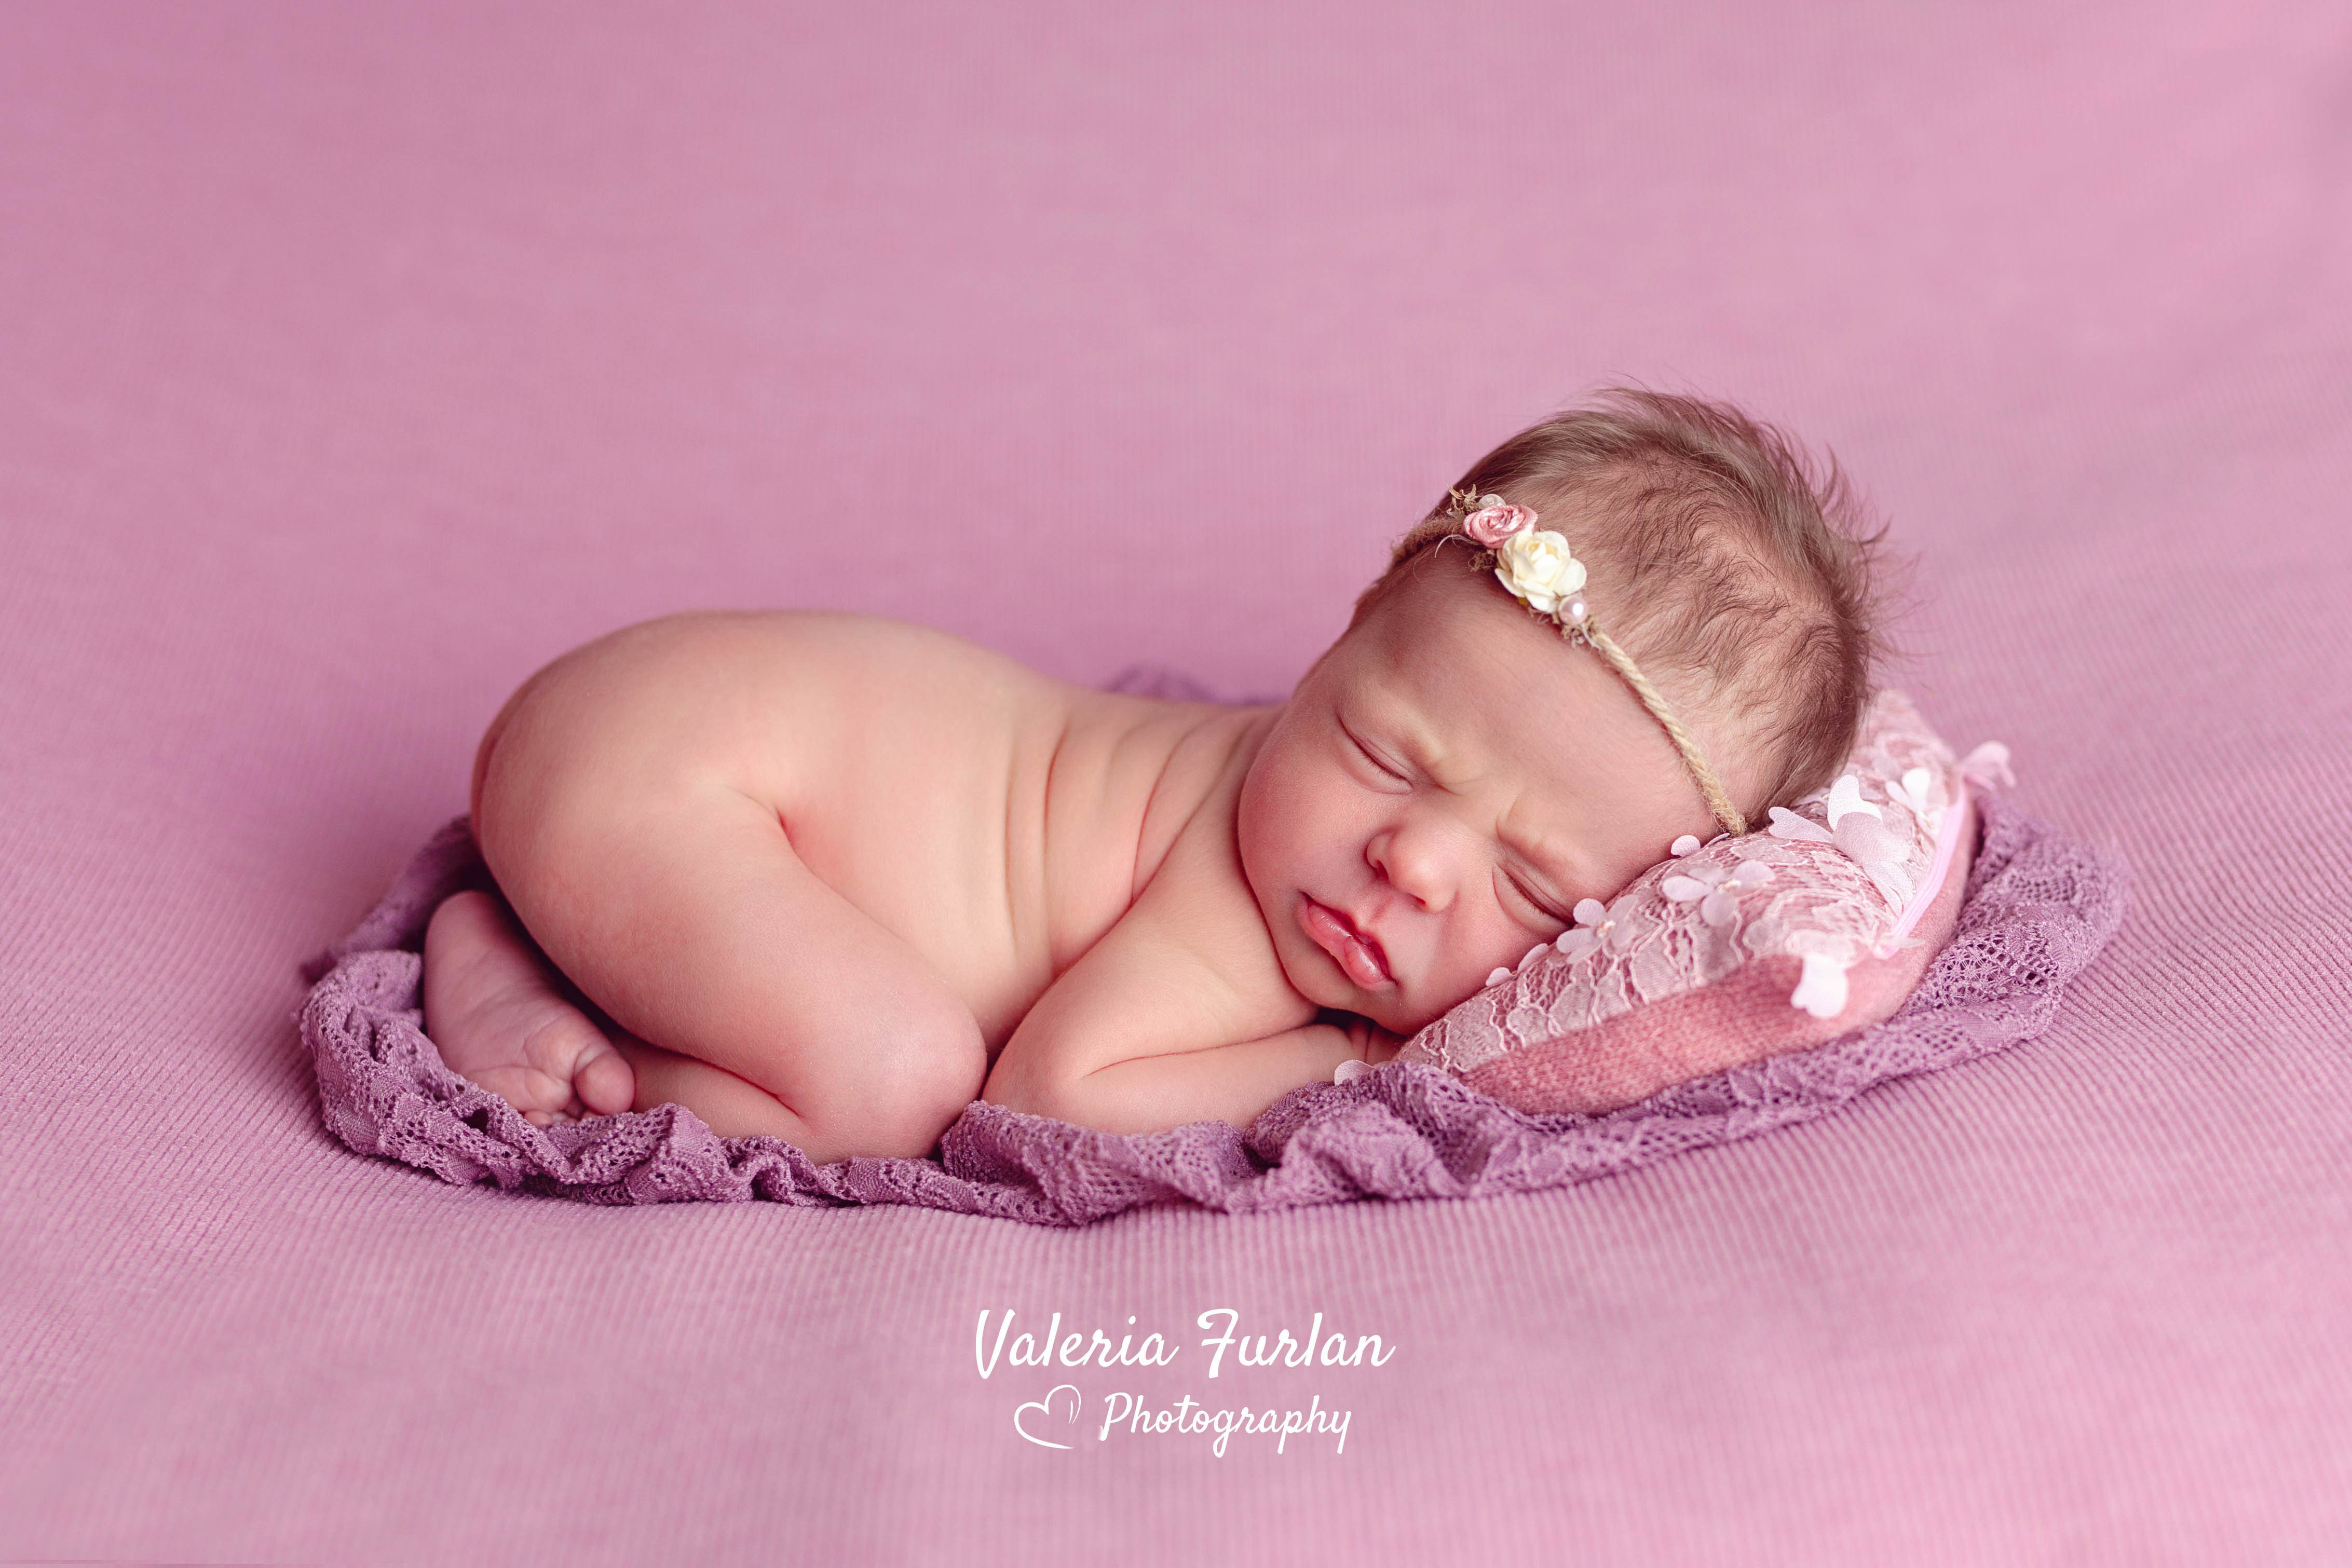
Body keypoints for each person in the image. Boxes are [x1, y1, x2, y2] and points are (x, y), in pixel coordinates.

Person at [422, 388, 1887, 1162]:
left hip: (676, 732)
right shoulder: (1238, 912)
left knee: (867, 1038)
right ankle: (529, 1013)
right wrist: (1355, 1060)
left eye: (1530, 882)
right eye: (1380, 754)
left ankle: (533, 932)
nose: (1413, 864)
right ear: (1338, 640)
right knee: (892, 1083)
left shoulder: (1334, 842)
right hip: (677, 766)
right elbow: (1056, 1097)